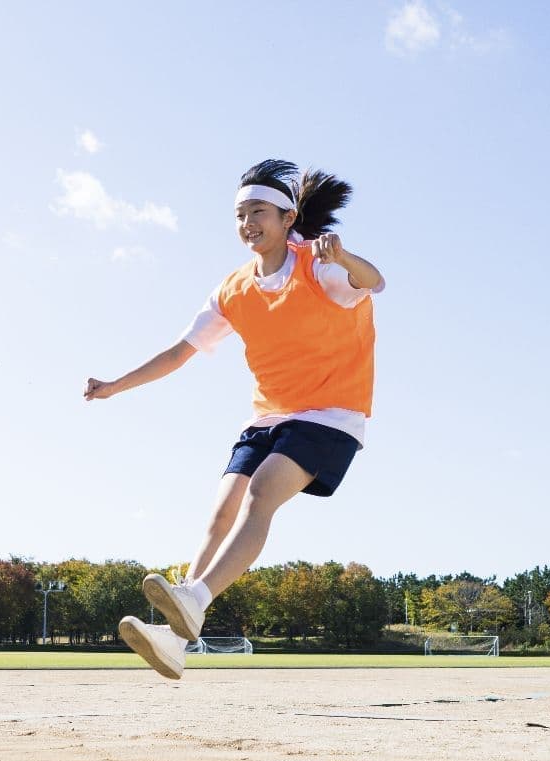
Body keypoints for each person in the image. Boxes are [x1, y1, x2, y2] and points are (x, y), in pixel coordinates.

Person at [83, 158, 385, 679]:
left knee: (262, 492)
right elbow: (179, 353)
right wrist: (114, 387)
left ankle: (195, 599)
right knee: (222, 508)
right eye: (241, 214)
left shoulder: (319, 266)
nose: (249, 223)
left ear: (288, 218)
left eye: (260, 212)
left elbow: (375, 282)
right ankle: (175, 638)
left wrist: (344, 256)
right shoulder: (232, 289)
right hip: (270, 416)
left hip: (333, 413)